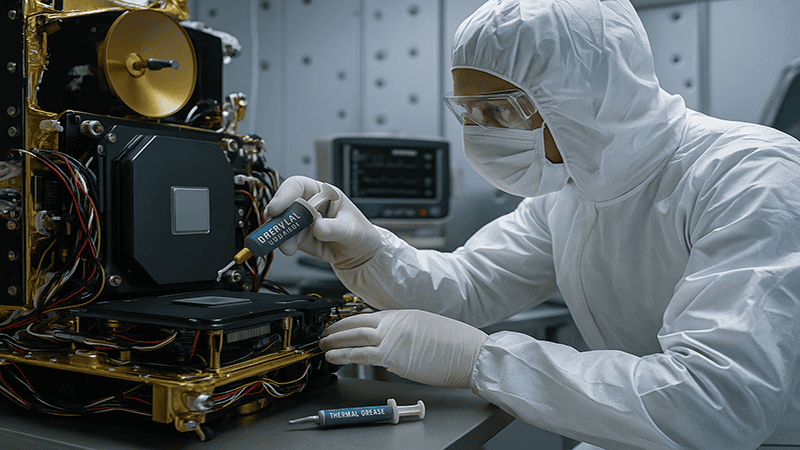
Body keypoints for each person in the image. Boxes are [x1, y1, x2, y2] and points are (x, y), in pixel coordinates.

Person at [266, 0, 800, 448]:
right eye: (468, 114)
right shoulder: (573, 190)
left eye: (496, 113)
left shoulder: (749, 176)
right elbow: (468, 287)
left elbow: (717, 402)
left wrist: (482, 359)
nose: (477, 137)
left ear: (582, 99)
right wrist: (366, 251)